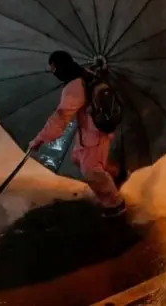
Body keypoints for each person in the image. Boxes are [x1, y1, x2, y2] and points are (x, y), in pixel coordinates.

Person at [28, 51, 127, 218]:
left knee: (91, 172)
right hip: (92, 133)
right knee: (77, 158)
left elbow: (60, 117)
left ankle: (115, 206)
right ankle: (117, 173)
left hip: (93, 136)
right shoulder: (87, 75)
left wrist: (40, 139)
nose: (54, 73)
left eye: (54, 69)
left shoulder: (75, 86)